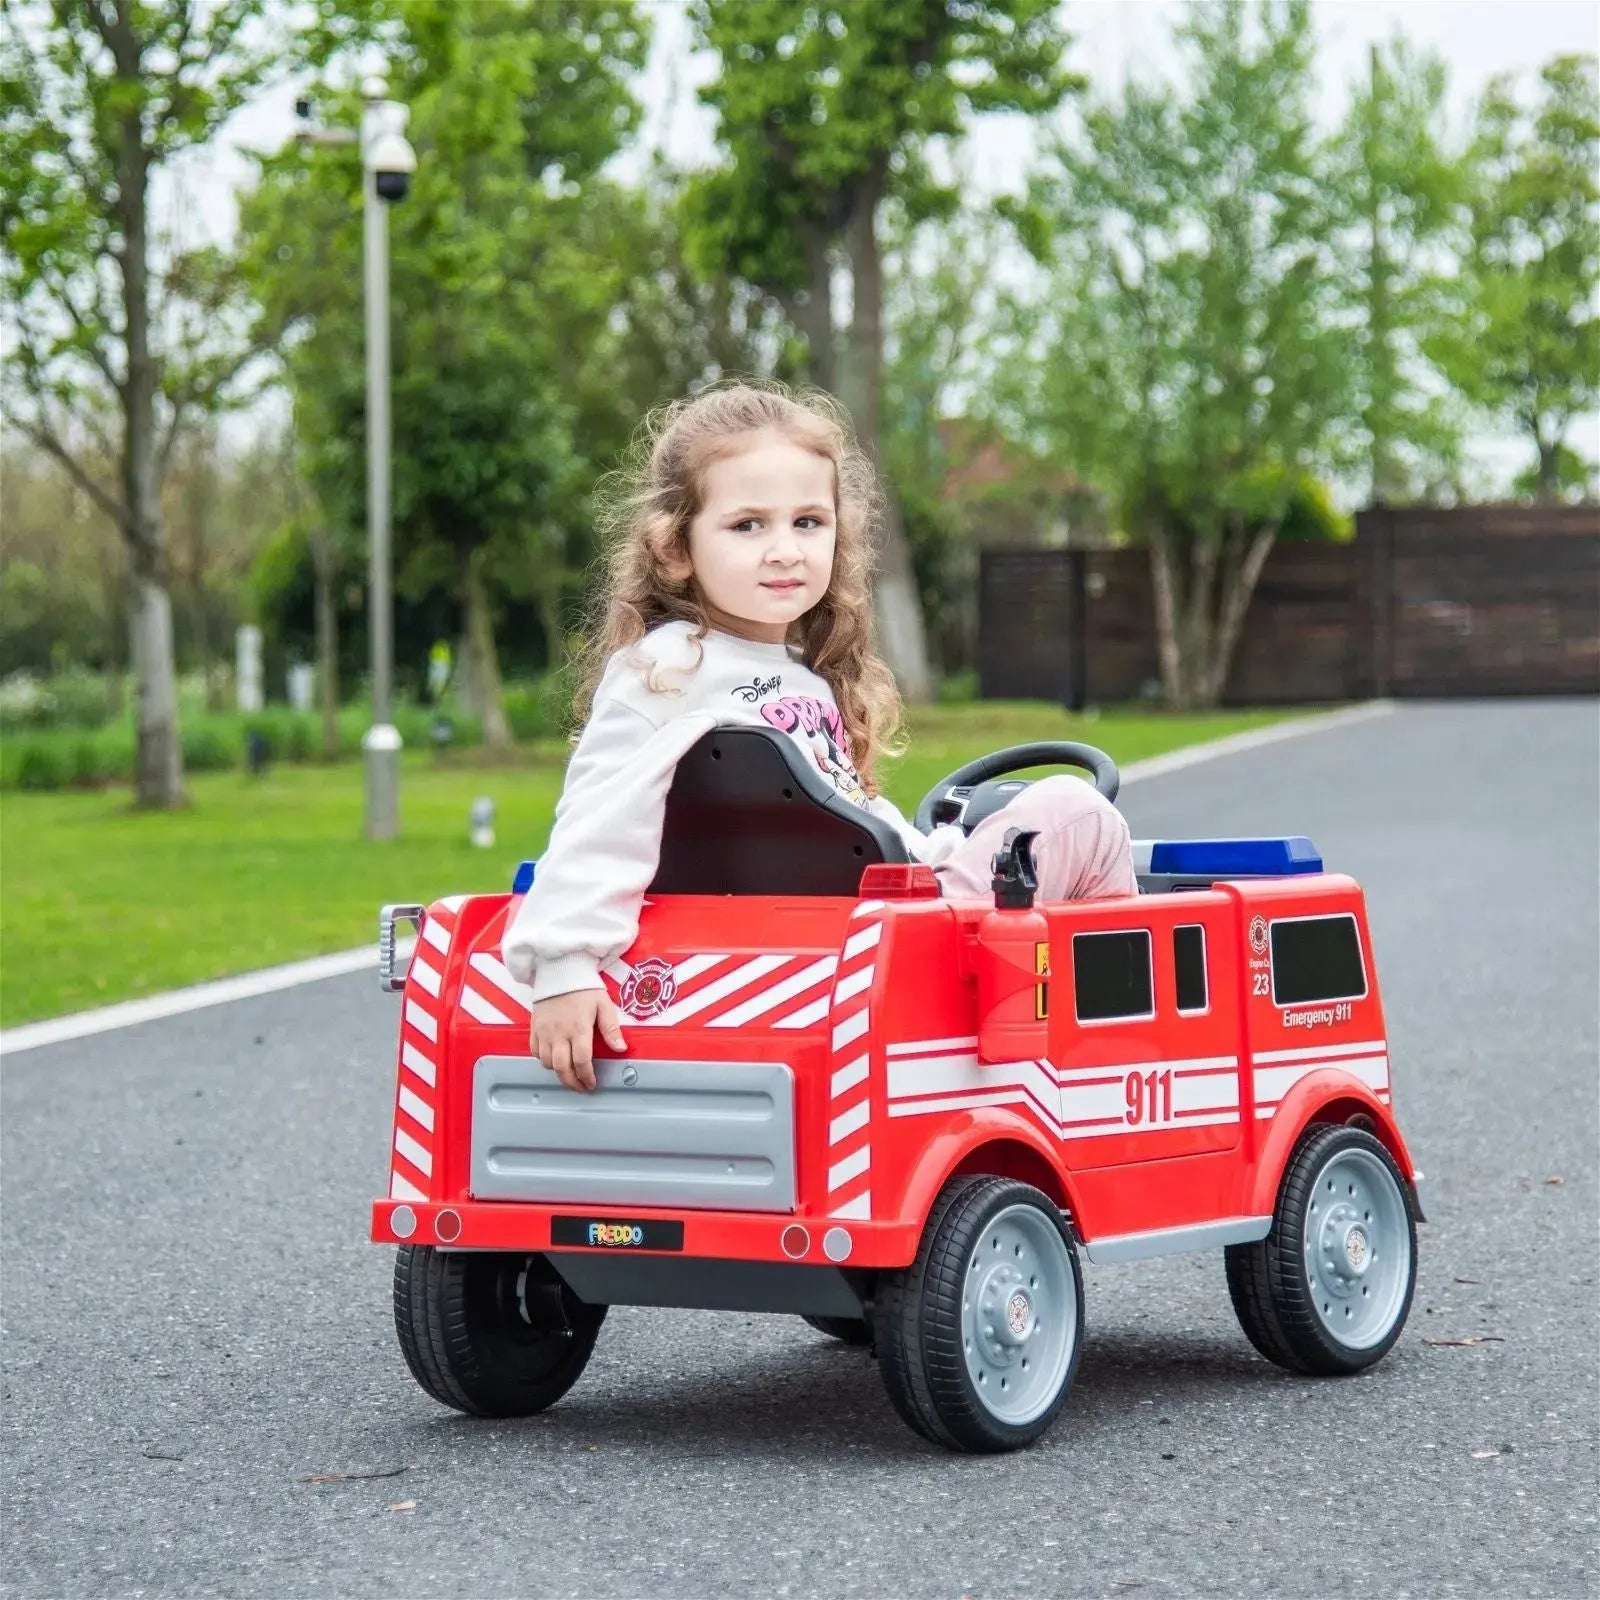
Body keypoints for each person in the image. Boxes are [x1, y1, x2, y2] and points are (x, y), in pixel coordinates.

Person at [502, 381, 1135, 1091]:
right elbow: (600, 812)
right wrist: (562, 963)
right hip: (879, 934)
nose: (785, 551)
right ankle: (1107, 1039)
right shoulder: (668, 668)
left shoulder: (800, 676)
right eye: (748, 526)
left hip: (869, 924)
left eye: (808, 522)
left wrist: (933, 846)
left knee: (1033, 824)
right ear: (674, 547)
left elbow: (839, 815)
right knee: (1076, 813)